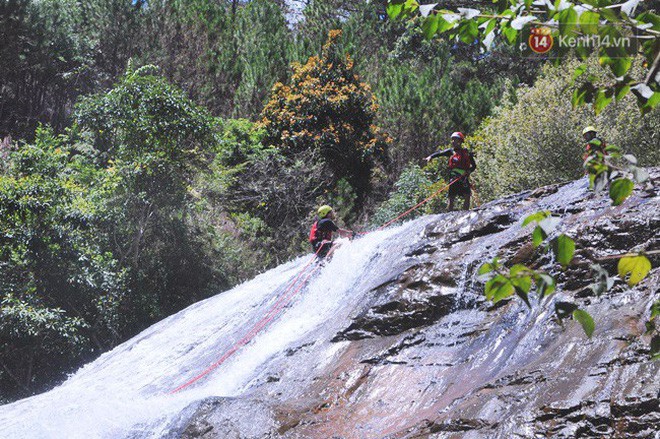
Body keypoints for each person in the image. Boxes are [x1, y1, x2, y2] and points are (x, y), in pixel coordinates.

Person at [424, 131, 477, 211]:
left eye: (455, 140)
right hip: (454, 178)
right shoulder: (451, 151)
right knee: (451, 198)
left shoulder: (467, 153)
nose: (453, 142)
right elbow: (440, 153)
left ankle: (465, 214)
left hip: (463, 178)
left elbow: (474, 166)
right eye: (452, 140)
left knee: (467, 196)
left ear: (460, 141)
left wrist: (469, 171)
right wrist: (431, 157)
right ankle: (449, 215)